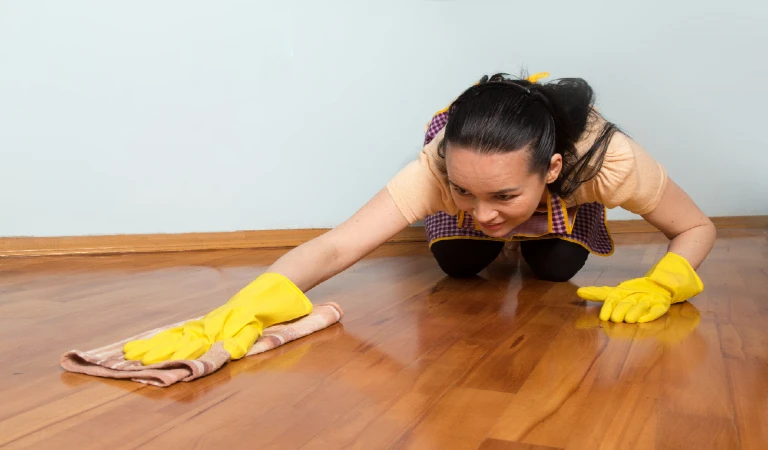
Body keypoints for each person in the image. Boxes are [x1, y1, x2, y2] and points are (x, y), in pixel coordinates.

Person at [123, 72, 716, 365]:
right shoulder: (435, 166)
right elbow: (337, 246)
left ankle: (536, 233)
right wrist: (247, 302)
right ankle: (494, 216)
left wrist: (665, 283)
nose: (483, 214)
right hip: (488, 181)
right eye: (463, 190)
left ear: (553, 168)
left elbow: (695, 227)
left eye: (504, 195)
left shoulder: (608, 161)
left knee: (557, 268)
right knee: (459, 260)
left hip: (560, 208)